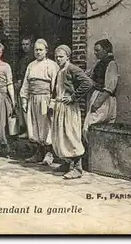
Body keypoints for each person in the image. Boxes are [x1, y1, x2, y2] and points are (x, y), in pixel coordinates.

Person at [50, 45, 93, 179]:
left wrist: (73, 97)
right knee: (61, 136)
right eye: (56, 56)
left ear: (68, 57)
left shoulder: (72, 69)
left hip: (69, 108)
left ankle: (77, 168)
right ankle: (66, 163)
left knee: (70, 135)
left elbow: (88, 83)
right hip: (60, 106)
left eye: (61, 56)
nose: (58, 59)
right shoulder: (60, 70)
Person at [20, 39, 59, 165]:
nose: (38, 52)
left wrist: (52, 102)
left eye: (41, 50)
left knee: (46, 125)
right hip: (33, 98)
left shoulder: (52, 65)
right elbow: (26, 84)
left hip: (45, 98)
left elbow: (55, 86)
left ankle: (49, 154)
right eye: (36, 49)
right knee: (34, 125)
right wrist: (24, 99)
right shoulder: (31, 65)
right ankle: (38, 152)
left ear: (46, 51)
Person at [83, 39, 119, 142]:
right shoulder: (99, 64)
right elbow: (89, 76)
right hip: (97, 96)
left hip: (104, 99)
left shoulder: (111, 64)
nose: (95, 53)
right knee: (92, 128)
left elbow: (109, 88)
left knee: (90, 125)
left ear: (106, 50)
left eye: (97, 50)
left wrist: (97, 103)